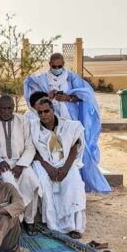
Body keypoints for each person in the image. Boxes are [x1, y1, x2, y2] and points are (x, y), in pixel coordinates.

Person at [24, 52, 109, 193]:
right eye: (54, 66)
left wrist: (68, 98)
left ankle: (75, 184)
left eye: (59, 66)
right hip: (47, 120)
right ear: (49, 65)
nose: (57, 68)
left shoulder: (71, 78)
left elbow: (86, 96)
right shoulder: (41, 79)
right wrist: (47, 97)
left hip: (69, 118)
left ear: (63, 65)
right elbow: (32, 98)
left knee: (74, 148)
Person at [31, 98, 86, 238]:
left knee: (74, 183)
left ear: (53, 110)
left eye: (46, 111)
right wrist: (48, 168)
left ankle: (75, 226)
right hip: (44, 162)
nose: (43, 115)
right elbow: (34, 151)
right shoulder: (34, 127)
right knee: (45, 183)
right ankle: (53, 225)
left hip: (66, 162)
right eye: (40, 112)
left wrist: (65, 169)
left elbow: (74, 147)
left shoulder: (69, 126)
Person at [0, 95, 39, 235]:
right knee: (8, 184)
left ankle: (29, 221)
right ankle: (16, 221)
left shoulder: (23, 121)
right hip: (1, 164)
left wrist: (21, 165)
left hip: (21, 162)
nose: (6, 111)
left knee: (32, 181)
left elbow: (30, 146)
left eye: (9, 108)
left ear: (14, 108)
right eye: (3, 108)